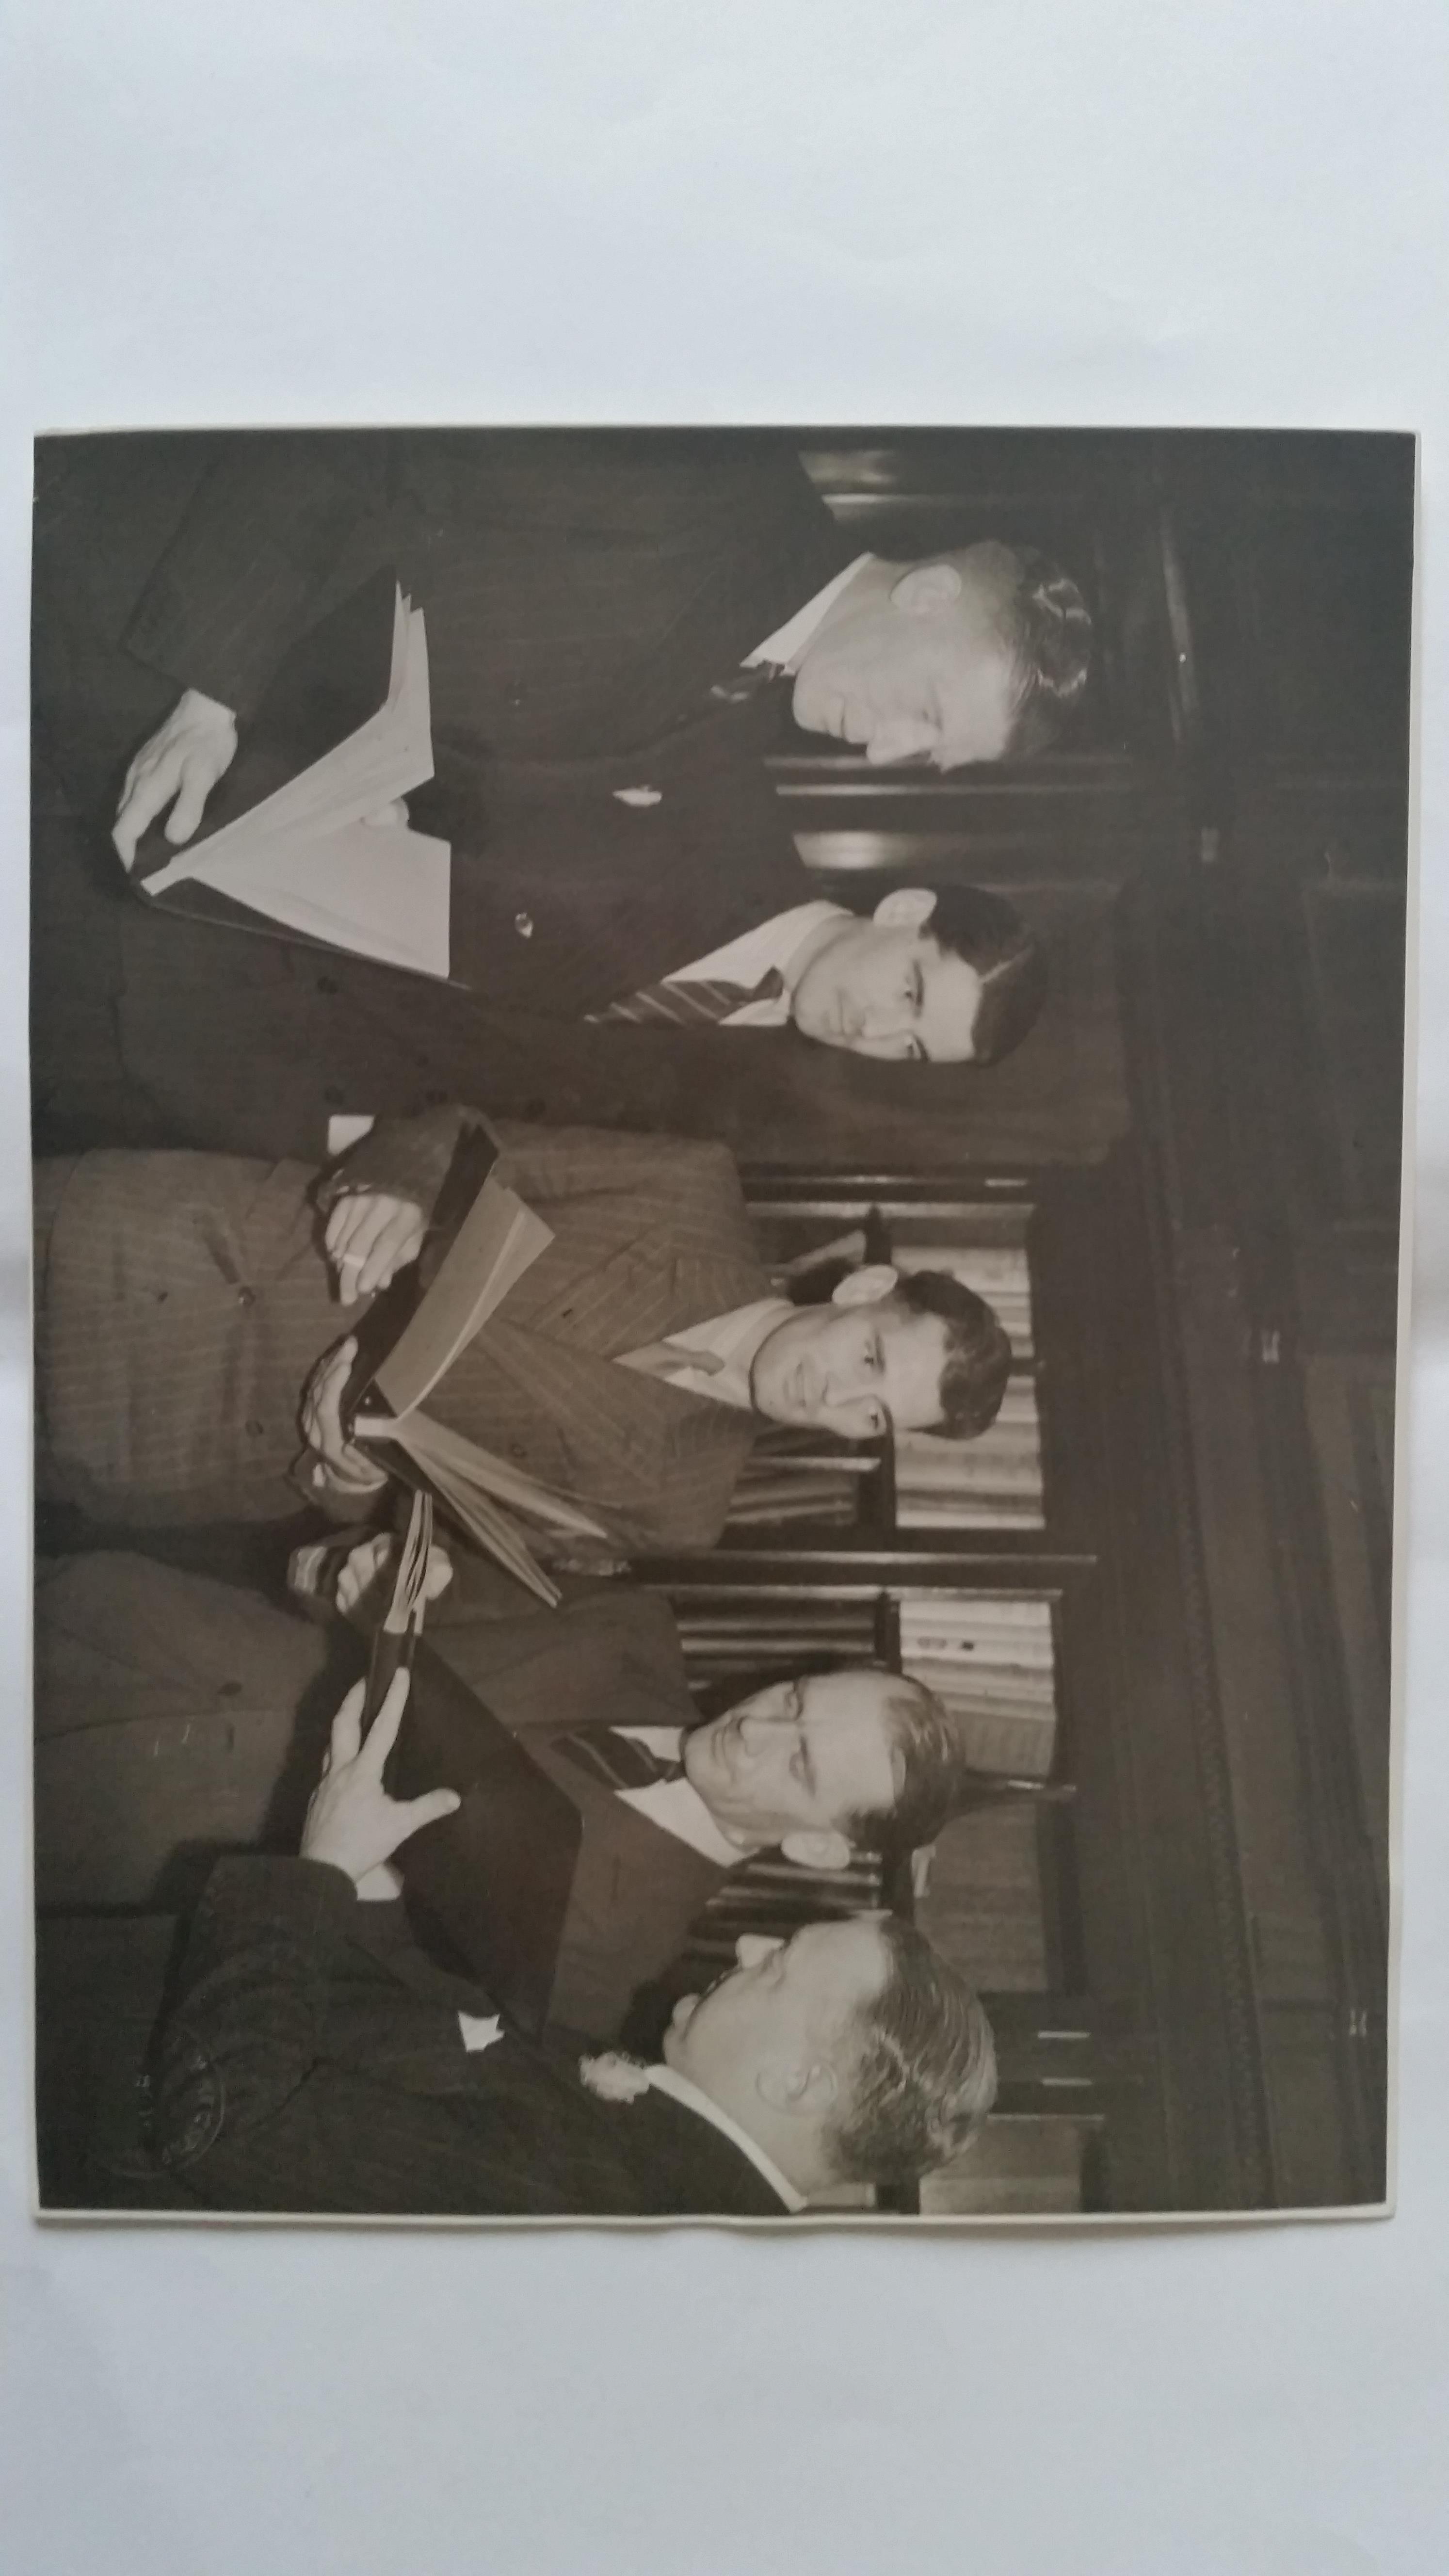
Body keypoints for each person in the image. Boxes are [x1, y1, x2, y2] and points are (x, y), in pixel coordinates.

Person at [32, 433, 1071, 1157]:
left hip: (163, 820)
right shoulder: (712, 471)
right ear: (929, 597)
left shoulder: (740, 715)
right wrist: (215, 692)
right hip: (125, 617)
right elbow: (373, 436)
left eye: (926, 755)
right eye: (926, 711)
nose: (886, 750)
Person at [33, 1534, 977, 2044]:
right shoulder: (634, 1629)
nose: (759, 1728)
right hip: (110, 1623)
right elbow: (359, 1580)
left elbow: (333, 1995)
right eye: (797, 1697)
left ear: (816, 1845)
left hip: (116, 1833)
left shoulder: (607, 1974)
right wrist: (358, 1565)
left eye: (800, 1762)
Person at [126, 1667, 998, 2217]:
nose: (745, 1949)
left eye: (780, 1968)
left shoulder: (584, 2192)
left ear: (799, 2082)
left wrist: (320, 1871)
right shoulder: (646, 2138)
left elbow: (226, 2126)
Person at [34, 1102, 1013, 1549]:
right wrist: (401, 1187)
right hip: (176, 1242)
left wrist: (349, 1475)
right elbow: (469, 1137)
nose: (836, 1397)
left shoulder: (682, 1507)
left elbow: (425, 1538)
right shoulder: (691, 1186)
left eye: (874, 1418)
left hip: (175, 1437)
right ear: (863, 1289)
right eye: (872, 1357)